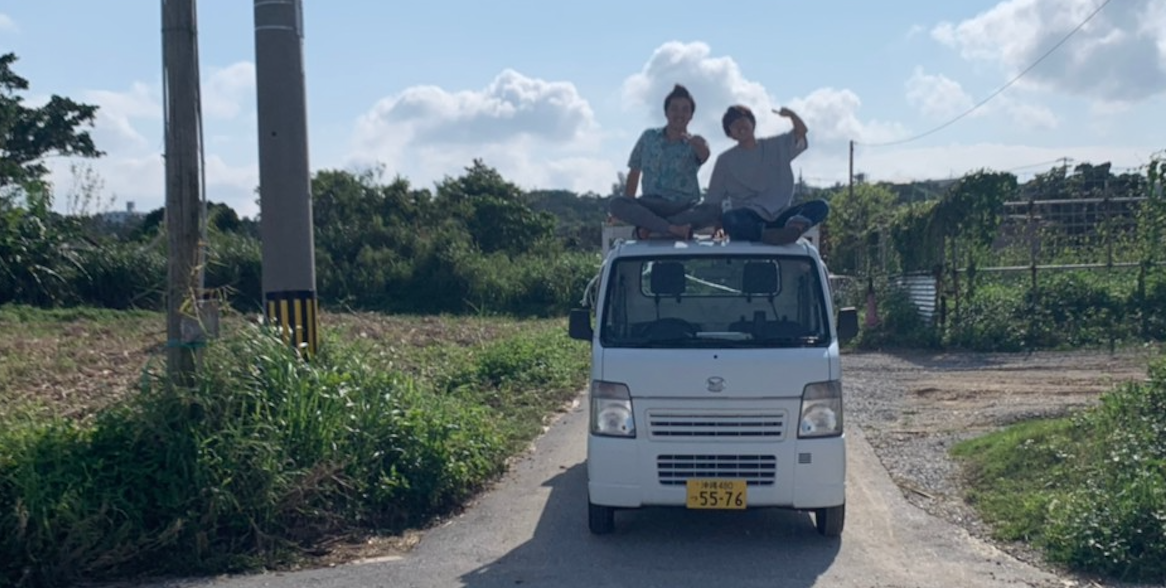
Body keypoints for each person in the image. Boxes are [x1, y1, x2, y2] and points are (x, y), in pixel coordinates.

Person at [609, 84, 721, 239]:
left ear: (691, 116)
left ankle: (654, 227)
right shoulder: (648, 137)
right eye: (674, 109)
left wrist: (695, 143)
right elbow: (634, 172)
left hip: (683, 207)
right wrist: (629, 206)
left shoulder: (695, 142)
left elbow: (705, 154)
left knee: (714, 209)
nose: (679, 114)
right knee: (617, 204)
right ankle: (672, 228)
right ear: (666, 112)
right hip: (651, 204)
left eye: (685, 110)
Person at [705, 104, 829, 244]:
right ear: (730, 133)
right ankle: (766, 235)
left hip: (782, 216)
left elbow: (801, 132)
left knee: (821, 205)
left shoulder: (776, 146)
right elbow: (712, 200)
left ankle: (794, 228)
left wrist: (792, 115)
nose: (740, 126)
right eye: (734, 124)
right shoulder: (725, 160)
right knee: (729, 218)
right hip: (751, 217)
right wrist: (716, 224)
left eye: (742, 120)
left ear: (752, 122)